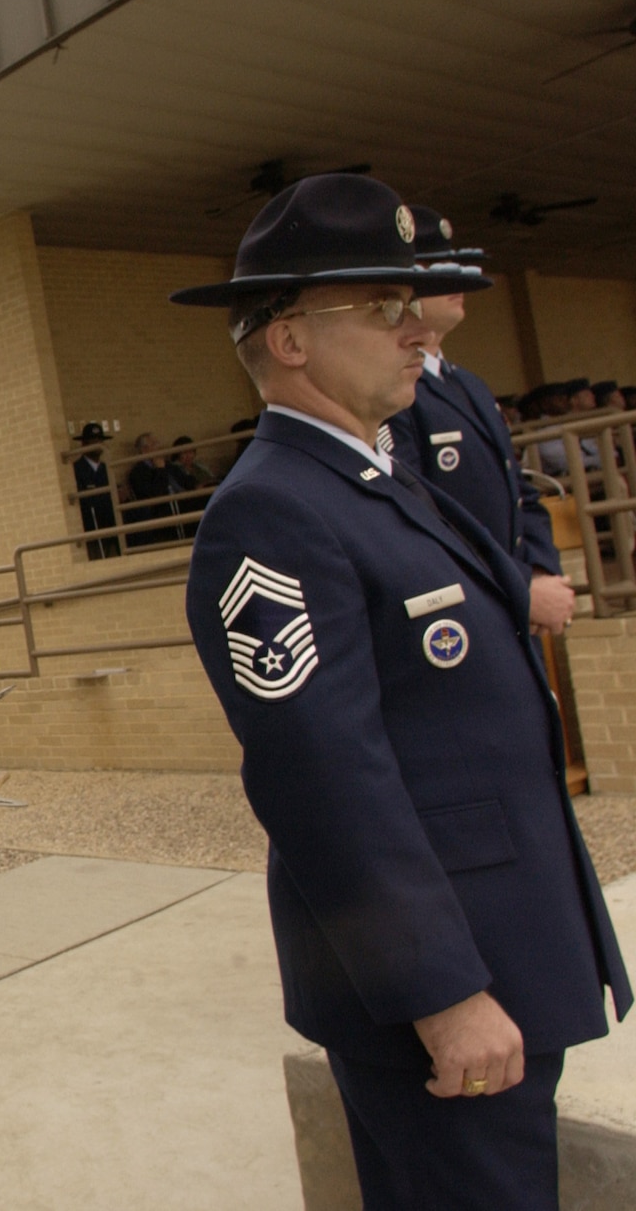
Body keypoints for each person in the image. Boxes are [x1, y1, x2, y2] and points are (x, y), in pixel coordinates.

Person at [173, 173, 629, 1210]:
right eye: (382, 308)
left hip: (498, 950)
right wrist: (441, 992)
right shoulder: (273, 513)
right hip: (445, 986)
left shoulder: (380, 478)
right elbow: (322, 782)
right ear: (288, 338)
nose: (415, 326)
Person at [379, 207, 575, 637]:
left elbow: (520, 490)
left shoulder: (469, 385)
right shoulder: (393, 393)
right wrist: (521, 588)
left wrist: (540, 572)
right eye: (438, 271)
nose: (458, 281)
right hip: (468, 614)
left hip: (511, 609)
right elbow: (419, 516)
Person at [72, 421, 121, 558]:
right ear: (84, 444)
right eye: (94, 441)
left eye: (100, 441)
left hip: (111, 524)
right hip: (93, 525)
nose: (98, 444)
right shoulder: (77, 469)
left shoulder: (106, 468)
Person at [125, 432, 180, 547]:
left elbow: (183, 479)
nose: (159, 447)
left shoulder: (167, 464)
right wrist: (160, 470)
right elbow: (154, 494)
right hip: (161, 508)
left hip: (180, 500)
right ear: (145, 450)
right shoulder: (138, 472)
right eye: (154, 444)